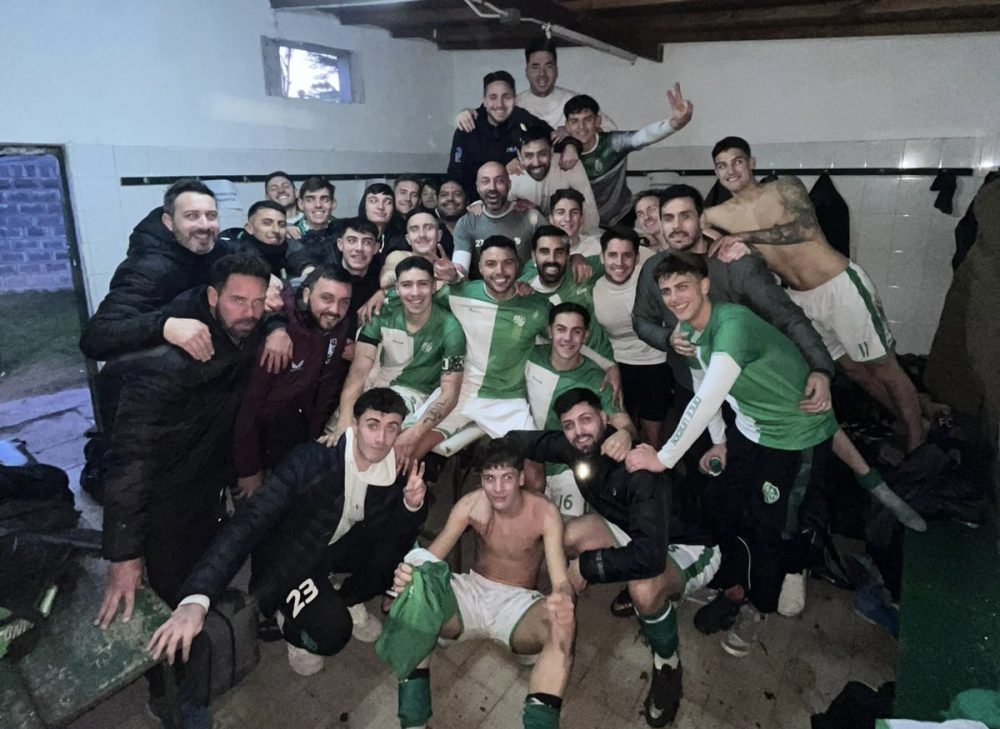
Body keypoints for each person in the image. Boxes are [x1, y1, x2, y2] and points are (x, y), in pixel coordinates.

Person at [147, 388, 428, 679]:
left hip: (335, 549)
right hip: (293, 560)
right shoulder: (311, 460)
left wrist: (412, 505)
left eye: (391, 428)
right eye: (373, 425)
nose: (381, 439)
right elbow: (248, 523)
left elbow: (394, 534)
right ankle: (291, 626)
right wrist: (197, 596)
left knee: (392, 557)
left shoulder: (394, 469)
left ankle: (346, 597)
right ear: (354, 425)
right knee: (332, 632)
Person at [508, 388, 721, 727]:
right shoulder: (574, 445)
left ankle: (667, 662)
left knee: (644, 588)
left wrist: (586, 567)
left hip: (687, 544)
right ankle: (546, 624)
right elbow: (523, 442)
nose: (579, 431)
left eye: (586, 420)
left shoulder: (638, 469)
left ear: (604, 419)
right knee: (562, 536)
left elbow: (650, 557)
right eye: (569, 425)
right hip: (630, 528)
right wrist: (496, 466)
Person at [705, 136, 925, 453]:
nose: (731, 170)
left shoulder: (784, 188)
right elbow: (685, 222)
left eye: (737, 161)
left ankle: (918, 442)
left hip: (839, 284)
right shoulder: (718, 213)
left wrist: (742, 237)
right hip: (799, 299)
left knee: (883, 366)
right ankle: (910, 420)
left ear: (751, 163)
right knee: (853, 370)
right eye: (722, 166)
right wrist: (712, 238)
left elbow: (805, 228)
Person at [95, 253, 271, 630]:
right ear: (212, 297)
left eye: (259, 301)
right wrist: (122, 555)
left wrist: (279, 326)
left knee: (207, 570)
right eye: (238, 300)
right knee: (167, 590)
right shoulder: (168, 359)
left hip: (204, 472)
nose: (250, 312)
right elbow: (130, 459)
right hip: (163, 484)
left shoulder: (245, 329)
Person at [386, 438, 574, 729]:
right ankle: (413, 723)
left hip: (519, 605)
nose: (498, 488)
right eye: (490, 478)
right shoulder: (471, 504)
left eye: (507, 478)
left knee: (563, 623)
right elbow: (431, 557)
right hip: (472, 592)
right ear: (481, 480)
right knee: (416, 592)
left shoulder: (544, 512)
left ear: (520, 478)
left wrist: (562, 596)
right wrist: (409, 574)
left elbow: (560, 579)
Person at [329, 257, 466, 473]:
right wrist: (344, 421)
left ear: (433, 286)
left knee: (375, 448)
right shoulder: (381, 314)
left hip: (414, 395)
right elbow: (358, 372)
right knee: (333, 442)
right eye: (407, 285)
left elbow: (450, 392)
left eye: (422, 284)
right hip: (377, 387)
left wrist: (413, 434)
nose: (415, 293)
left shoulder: (451, 328)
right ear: (397, 288)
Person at [232, 265, 354, 498]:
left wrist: (311, 447)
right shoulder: (281, 332)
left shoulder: (339, 327)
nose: (335, 310)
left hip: (296, 426)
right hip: (257, 430)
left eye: (344, 302)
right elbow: (248, 406)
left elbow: (325, 390)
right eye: (327, 298)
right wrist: (248, 470)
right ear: (307, 294)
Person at [525, 302, 635, 518]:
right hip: (528, 461)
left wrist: (625, 434)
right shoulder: (530, 357)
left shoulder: (599, 380)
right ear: (549, 331)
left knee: (568, 529)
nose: (568, 338)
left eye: (576, 331)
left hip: (569, 467)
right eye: (561, 329)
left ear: (586, 336)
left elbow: (626, 424)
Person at [564, 84, 692, 226]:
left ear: (598, 121)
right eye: (574, 121)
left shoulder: (613, 143)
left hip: (621, 217)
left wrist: (674, 123)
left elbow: (643, 136)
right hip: (583, 224)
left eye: (587, 119)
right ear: (567, 126)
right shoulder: (561, 153)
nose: (581, 127)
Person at [592, 226, 669, 447]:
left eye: (627, 255)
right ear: (602, 257)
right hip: (616, 367)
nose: (619, 263)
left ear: (637, 258)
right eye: (612, 255)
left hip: (656, 363)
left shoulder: (652, 278)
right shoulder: (592, 289)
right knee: (622, 433)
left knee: (653, 436)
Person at [446, 70, 551, 198]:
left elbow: (553, 137)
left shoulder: (523, 119)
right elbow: (455, 175)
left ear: (515, 99)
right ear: (484, 100)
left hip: (513, 200)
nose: (500, 104)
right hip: (474, 202)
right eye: (493, 97)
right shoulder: (468, 126)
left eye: (506, 97)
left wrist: (569, 144)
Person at [452, 161, 541, 277]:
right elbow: (460, 272)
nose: (492, 187)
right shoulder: (467, 223)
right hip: (482, 288)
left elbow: (551, 257)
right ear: (477, 187)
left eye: (499, 181)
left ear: (509, 185)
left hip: (525, 287)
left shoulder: (530, 217)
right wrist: (453, 275)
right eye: (485, 181)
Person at [508, 125, 600, 234]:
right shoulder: (512, 175)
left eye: (542, 154)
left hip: (570, 236)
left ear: (551, 151)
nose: (536, 163)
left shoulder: (569, 163)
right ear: (519, 155)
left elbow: (591, 219)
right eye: (528, 155)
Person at [379, 208, 454, 289]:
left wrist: (454, 278)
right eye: (414, 229)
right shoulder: (398, 256)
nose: (422, 235)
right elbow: (385, 281)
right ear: (408, 239)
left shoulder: (449, 265)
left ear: (439, 235)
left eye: (428, 228)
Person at [219, 200, 289, 277]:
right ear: (249, 228)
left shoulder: (289, 247)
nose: (276, 230)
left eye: (282, 225)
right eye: (267, 223)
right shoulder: (232, 251)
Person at [548, 187, 601, 257]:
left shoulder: (595, 248)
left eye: (574, 212)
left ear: (581, 218)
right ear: (551, 219)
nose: (568, 218)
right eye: (561, 212)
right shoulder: (543, 249)